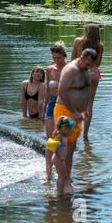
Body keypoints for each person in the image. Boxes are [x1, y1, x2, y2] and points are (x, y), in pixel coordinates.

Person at [54, 48, 97, 184]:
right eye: (87, 64)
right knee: (64, 148)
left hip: (77, 113)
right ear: (82, 57)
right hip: (65, 111)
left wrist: (84, 110)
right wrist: (74, 112)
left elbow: (84, 90)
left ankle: (67, 178)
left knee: (71, 148)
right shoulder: (71, 69)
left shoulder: (85, 70)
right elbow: (61, 91)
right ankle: (62, 179)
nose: (89, 67)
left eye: (91, 65)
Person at [71, 24, 104, 141]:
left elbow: (73, 59)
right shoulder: (100, 46)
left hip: (80, 73)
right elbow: (98, 63)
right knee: (89, 105)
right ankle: (85, 135)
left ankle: (74, 131)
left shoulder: (78, 42)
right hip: (94, 74)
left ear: (86, 31)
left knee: (75, 103)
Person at [44, 41, 68, 180]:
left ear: (64, 56)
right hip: (52, 103)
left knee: (62, 139)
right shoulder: (49, 69)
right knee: (50, 140)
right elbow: (48, 90)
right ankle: (48, 172)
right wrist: (44, 109)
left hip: (65, 105)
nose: (56, 60)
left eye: (59, 58)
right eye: (54, 58)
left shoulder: (69, 68)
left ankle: (63, 170)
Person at [46, 116, 76, 196]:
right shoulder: (59, 135)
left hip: (60, 159)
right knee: (62, 177)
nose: (70, 130)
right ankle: (60, 194)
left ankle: (60, 190)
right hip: (58, 158)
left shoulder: (63, 134)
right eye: (69, 128)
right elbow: (55, 148)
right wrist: (59, 157)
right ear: (64, 128)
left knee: (64, 176)